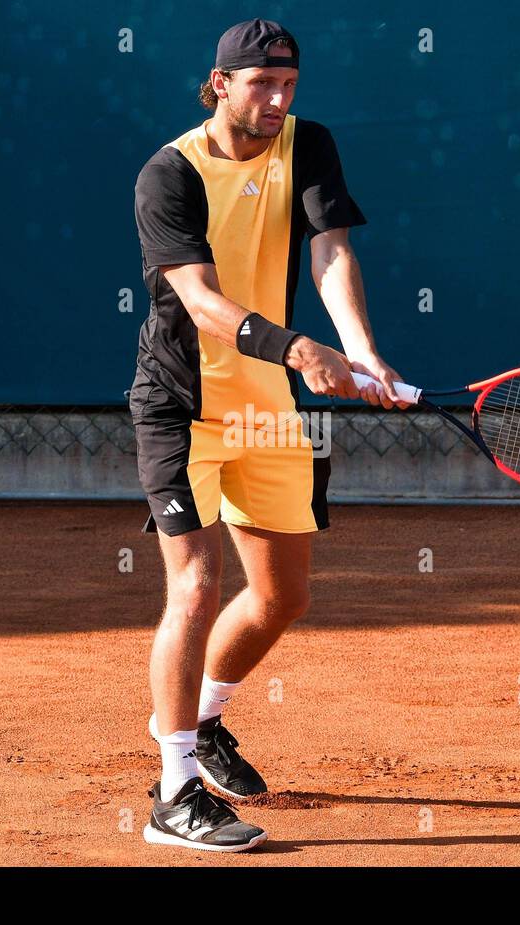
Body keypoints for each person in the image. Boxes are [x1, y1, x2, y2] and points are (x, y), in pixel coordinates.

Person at [130, 18, 408, 852]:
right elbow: (199, 301)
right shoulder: (169, 173)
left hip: (272, 410)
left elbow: (330, 252)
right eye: (261, 85)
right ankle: (173, 788)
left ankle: (204, 720)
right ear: (219, 83)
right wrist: (296, 348)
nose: (278, 100)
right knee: (196, 587)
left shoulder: (307, 142)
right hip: (183, 404)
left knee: (285, 594)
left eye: (288, 84)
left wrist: (359, 353)